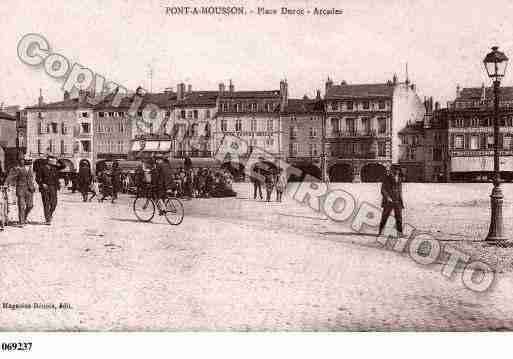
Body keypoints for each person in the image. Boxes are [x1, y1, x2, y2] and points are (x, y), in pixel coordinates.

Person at [5, 158, 36, 227]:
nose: (29, 162)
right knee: (21, 206)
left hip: (30, 190)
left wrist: (34, 186)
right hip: (21, 189)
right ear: (24, 161)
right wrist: (6, 183)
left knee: (30, 205)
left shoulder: (31, 169)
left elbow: (32, 179)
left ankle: (24, 217)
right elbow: (11, 176)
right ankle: (21, 222)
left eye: (30, 161)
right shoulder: (18, 169)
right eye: (27, 161)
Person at [36, 156, 65, 225]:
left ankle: (50, 214)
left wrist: (58, 159)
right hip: (45, 188)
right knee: (46, 203)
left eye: (53, 160)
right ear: (48, 161)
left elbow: (63, 166)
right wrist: (42, 184)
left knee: (54, 203)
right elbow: (37, 178)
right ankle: (48, 219)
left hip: (53, 188)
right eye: (51, 160)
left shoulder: (55, 168)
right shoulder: (42, 168)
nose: (53, 161)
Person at [378, 164, 404, 236]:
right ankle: (381, 231)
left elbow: (399, 190)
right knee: (385, 217)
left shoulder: (399, 178)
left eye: (398, 170)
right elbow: (383, 189)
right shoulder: (387, 178)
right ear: (392, 170)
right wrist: (387, 197)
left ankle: (400, 233)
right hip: (389, 201)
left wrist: (400, 199)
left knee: (399, 217)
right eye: (395, 170)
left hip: (398, 201)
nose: (396, 171)